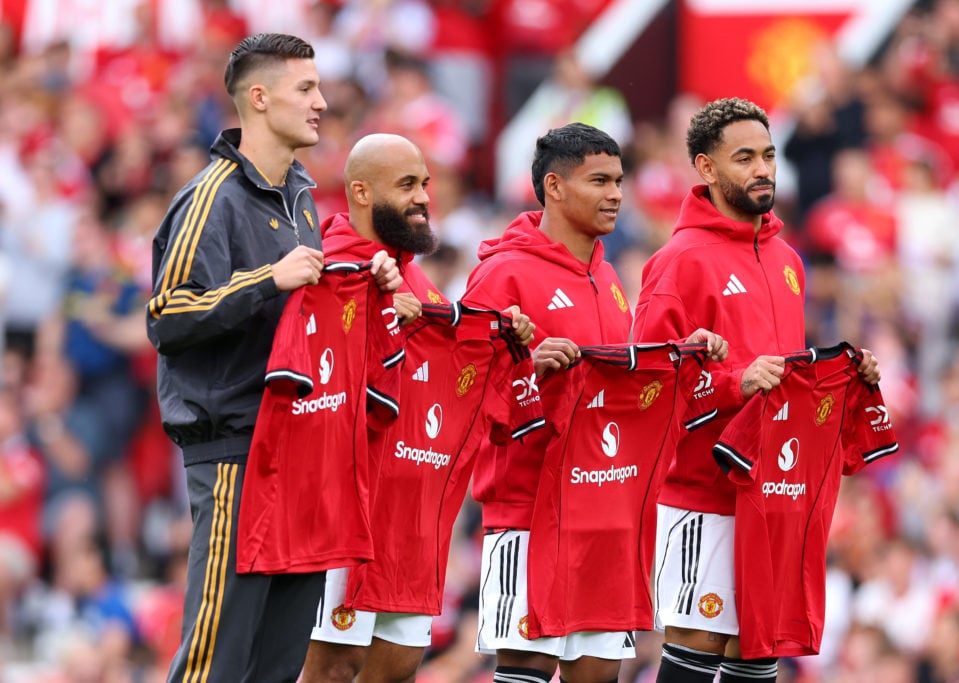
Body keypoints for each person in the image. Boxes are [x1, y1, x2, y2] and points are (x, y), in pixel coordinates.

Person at [146, 33, 400, 683]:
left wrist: (369, 284)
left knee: (276, 665)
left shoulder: (300, 196)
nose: (322, 102)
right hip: (234, 451)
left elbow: (302, 312)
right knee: (217, 658)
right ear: (258, 99)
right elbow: (166, 314)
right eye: (306, 88)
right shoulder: (212, 197)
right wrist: (266, 279)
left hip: (299, 450)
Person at [631, 97, 880, 683]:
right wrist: (730, 383)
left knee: (758, 656)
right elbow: (642, 387)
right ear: (706, 168)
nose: (763, 168)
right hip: (702, 495)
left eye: (768, 155)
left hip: (773, 494)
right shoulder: (678, 263)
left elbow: (785, 379)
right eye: (744, 157)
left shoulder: (790, 261)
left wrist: (842, 383)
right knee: (695, 656)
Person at [463, 122, 722, 683]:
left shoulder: (607, 276)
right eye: (599, 180)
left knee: (600, 671)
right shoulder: (501, 274)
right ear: (553, 187)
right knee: (527, 666)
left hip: (605, 506)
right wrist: (529, 369)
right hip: (527, 506)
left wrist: (682, 357)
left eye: (620, 180)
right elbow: (460, 389)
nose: (616, 195)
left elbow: (622, 391)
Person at [302, 132, 535, 683]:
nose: (424, 197)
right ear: (360, 191)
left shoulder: (419, 284)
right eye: (407, 184)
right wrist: (374, 317)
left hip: (414, 518)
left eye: (425, 184)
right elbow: (313, 382)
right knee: (334, 667)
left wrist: (512, 345)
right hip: (345, 510)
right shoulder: (327, 267)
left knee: (398, 668)